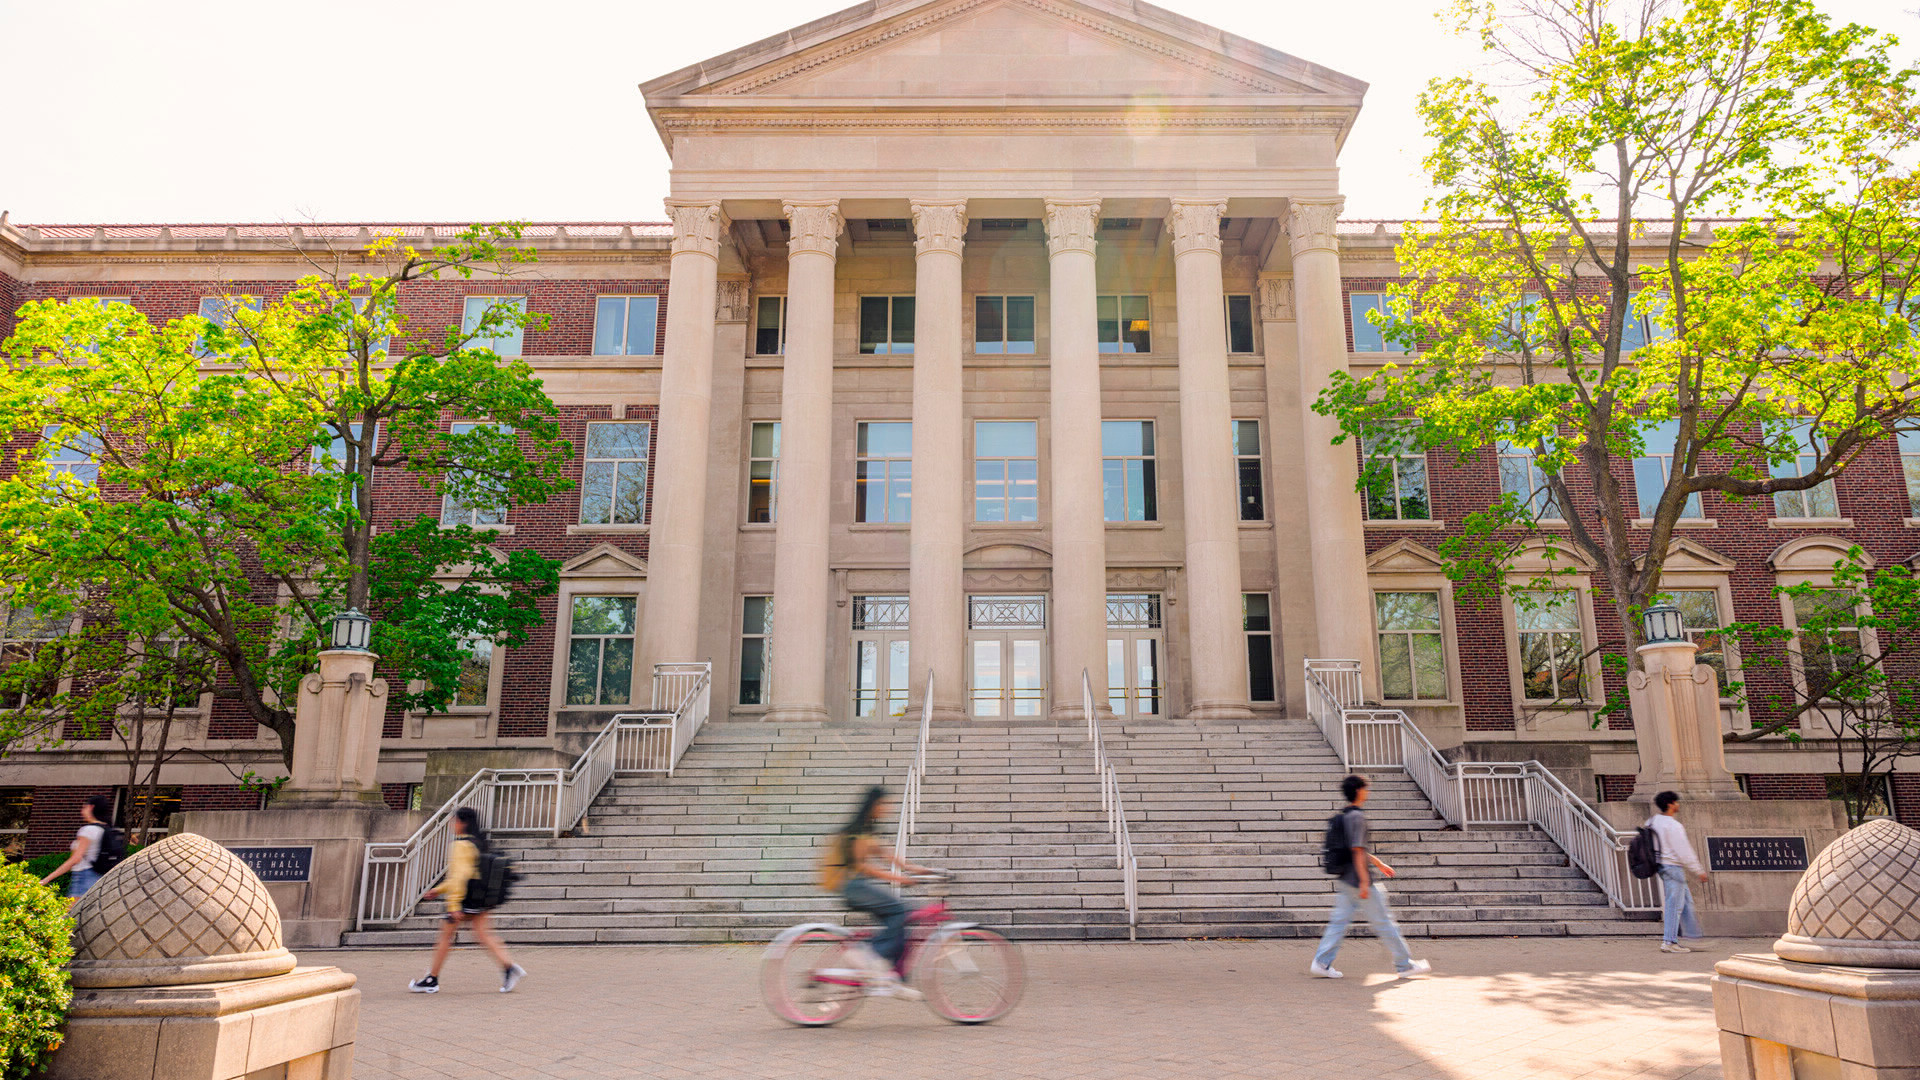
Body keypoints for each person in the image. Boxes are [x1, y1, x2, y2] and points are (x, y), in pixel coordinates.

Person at [1310, 775, 1433, 980]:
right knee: (1385, 922)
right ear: (1358, 790)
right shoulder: (1357, 817)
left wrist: (1378, 863)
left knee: (1338, 922)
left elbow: (1355, 848)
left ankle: (1321, 962)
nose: (1368, 791)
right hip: (1359, 881)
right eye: (1366, 788)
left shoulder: (1347, 815)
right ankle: (1404, 965)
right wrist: (1365, 882)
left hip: (1346, 880)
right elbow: (1357, 850)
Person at [830, 785, 937, 999]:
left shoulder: (869, 829)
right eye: (885, 804)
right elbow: (863, 867)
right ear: (873, 805)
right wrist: (898, 878)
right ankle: (870, 954)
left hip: (858, 886)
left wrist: (923, 870)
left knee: (902, 918)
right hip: (853, 887)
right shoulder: (859, 831)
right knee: (901, 911)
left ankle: (894, 977)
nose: (888, 808)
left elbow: (889, 857)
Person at [409, 807, 526, 994]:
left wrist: (454, 905)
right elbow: (466, 874)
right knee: (483, 935)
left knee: (445, 938)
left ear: (462, 823)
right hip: (479, 898)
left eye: (453, 820)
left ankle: (432, 979)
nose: (451, 824)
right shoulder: (478, 842)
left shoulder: (460, 845)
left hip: (464, 899)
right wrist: (438, 890)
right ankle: (509, 967)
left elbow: (459, 877)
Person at [1647, 790, 1709, 953]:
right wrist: (1699, 870)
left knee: (1686, 902)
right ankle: (1669, 942)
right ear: (1670, 805)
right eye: (1676, 802)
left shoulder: (1652, 822)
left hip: (1662, 866)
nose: (1678, 804)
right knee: (1675, 905)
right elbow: (1684, 851)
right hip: (1673, 867)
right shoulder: (1673, 825)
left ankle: (1693, 937)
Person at [39, 795, 114, 907]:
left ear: (91, 808)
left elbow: (75, 859)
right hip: (99, 877)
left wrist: (47, 879)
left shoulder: (88, 830)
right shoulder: (106, 829)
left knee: (70, 918)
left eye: (84, 807)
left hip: (83, 876)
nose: (82, 811)